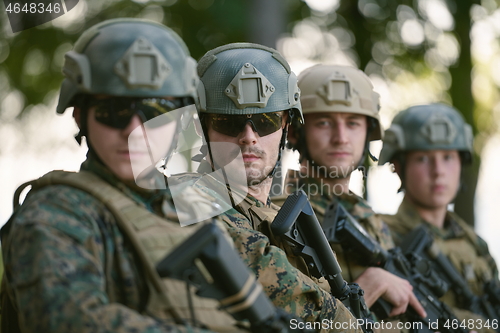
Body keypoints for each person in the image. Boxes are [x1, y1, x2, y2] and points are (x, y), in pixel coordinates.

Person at [1, 19, 359, 333]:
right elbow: (70, 322)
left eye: (155, 111)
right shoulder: (57, 212)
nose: (135, 130)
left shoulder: (171, 207)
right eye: (114, 111)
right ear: (80, 116)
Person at [178, 43, 362, 331]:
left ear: (285, 125)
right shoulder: (188, 202)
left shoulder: (278, 215)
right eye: (228, 122)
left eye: (265, 121)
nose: (249, 137)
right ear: (202, 129)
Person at [279, 64, 426, 319]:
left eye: (353, 123)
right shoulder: (278, 217)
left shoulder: (370, 219)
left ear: (368, 133)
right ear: (294, 132)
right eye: (324, 122)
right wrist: (368, 288)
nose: (341, 137)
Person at [378, 103, 499, 328]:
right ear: (398, 166)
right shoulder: (379, 235)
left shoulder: (474, 244)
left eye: (448, 157)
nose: (438, 171)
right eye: (423, 158)